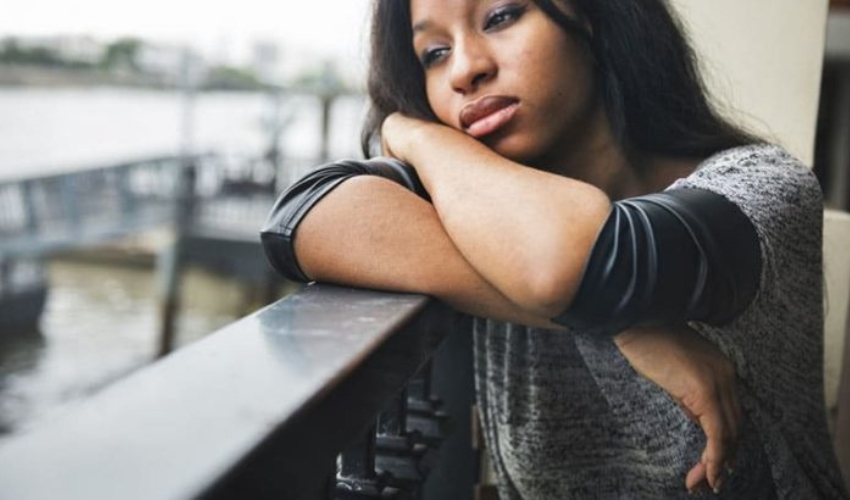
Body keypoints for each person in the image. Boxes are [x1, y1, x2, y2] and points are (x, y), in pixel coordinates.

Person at [261, 0, 850, 498]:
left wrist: (412, 134)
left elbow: (570, 265)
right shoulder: (483, 209)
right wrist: (410, 130)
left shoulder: (761, 189)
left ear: (590, 16)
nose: (464, 70)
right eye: (433, 54)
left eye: (501, 16)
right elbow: (301, 217)